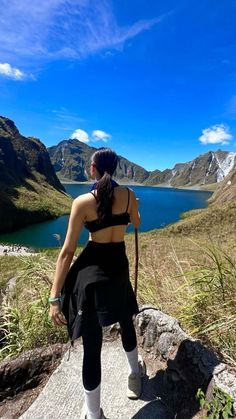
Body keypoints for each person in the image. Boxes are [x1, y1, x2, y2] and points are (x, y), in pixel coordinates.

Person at [48, 148, 145, 419]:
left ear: (92, 169)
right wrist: (133, 206)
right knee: (126, 319)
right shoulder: (127, 195)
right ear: (115, 168)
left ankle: (93, 414)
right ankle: (135, 375)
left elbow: (67, 252)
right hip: (119, 267)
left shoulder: (82, 202)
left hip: (92, 275)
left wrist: (54, 297)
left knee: (92, 344)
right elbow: (136, 223)